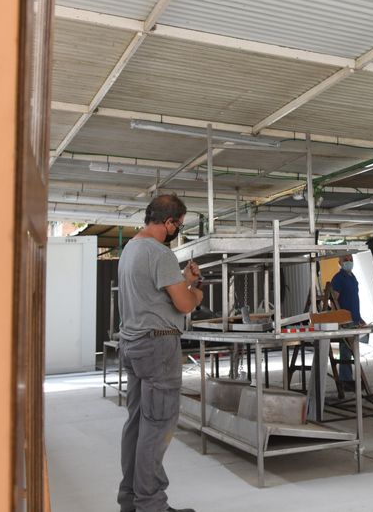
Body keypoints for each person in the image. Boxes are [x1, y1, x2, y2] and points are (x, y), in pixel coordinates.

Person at [117, 194, 206, 512]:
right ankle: (151, 504)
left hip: (132, 344)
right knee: (158, 426)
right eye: (178, 225)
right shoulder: (160, 253)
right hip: (158, 347)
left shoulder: (131, 249)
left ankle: (131, 498)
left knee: (138, 423)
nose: (177, 230)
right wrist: (195, 291)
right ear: (169, 222)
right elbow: (183, 304)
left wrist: (182, 281)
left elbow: (154, 296)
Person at [329, 254, 365, 389]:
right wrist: (338, 319)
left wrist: (359, 318)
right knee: (345, 351)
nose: (349, 262)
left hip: (354, 319)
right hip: (345, 320)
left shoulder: (353, 277)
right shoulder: (338, 278)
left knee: (352, 351)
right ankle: (345, 380)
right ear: (339, 262)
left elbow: (354, 300)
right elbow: (333, 300)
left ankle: (349, 379)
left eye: (351, 260)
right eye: (345, 260)